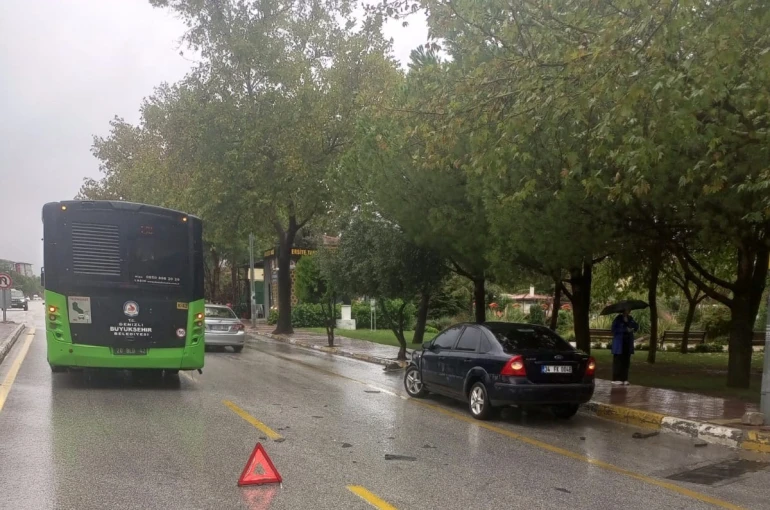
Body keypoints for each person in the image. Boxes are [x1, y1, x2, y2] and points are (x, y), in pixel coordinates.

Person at [611, 308, 639, 385]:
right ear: (623, 310)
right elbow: (614, 329)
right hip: (619, 343)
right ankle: (616, 378)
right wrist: (625, 329)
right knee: (618, 361)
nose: (629, 311)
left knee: (626, 361)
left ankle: (624, 379)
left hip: (627, 343)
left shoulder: (630, 318)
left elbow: (636, 326)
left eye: (630, 309)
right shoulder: (618, 319)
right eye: (627, 309)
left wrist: (633, 326)